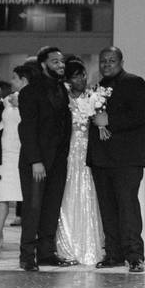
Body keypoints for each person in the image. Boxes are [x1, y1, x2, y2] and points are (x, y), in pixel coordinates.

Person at [88, 46, 145, 273]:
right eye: (103, 61)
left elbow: (139, 116)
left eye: (111, 60)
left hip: (126, 159)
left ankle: (134, 255)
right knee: (107, 208)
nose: (106, 64)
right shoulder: (97, 88)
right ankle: (113, 253)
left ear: (121, 61)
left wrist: (108, 120)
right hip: (101, 158)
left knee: (127, 207)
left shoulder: (134, 83)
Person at [17, 46, 73, 272]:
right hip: (37, 161)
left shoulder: (62, 89)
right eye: (55, 62)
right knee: (33, 208)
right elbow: (27, 129)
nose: (60, 65)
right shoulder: (30, 92)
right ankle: (27, 255)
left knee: (51, 207)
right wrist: (35, 160)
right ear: (43, 65)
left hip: (59, 159)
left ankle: (47, 252)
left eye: (61, 61)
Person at [55, 57, 104, 266]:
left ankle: (88, 243)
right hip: (68, 151)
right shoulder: (62, 99)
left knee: (88, 193)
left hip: (88, 150)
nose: (81, 79)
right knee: (67, 193)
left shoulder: (94, 97)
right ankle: (66, 244)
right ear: (68, 80)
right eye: (76, 76)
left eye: (83, 75)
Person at [0, 63, 32, 258]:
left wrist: (22, 104)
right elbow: (0, 126)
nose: (11, 81)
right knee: (1, 200)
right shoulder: (5, 100)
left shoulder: (33, 100)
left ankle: (29, 245)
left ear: (24, 80)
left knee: (30, 201)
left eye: (14, 78)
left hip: (24, 153)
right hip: (5, 154)